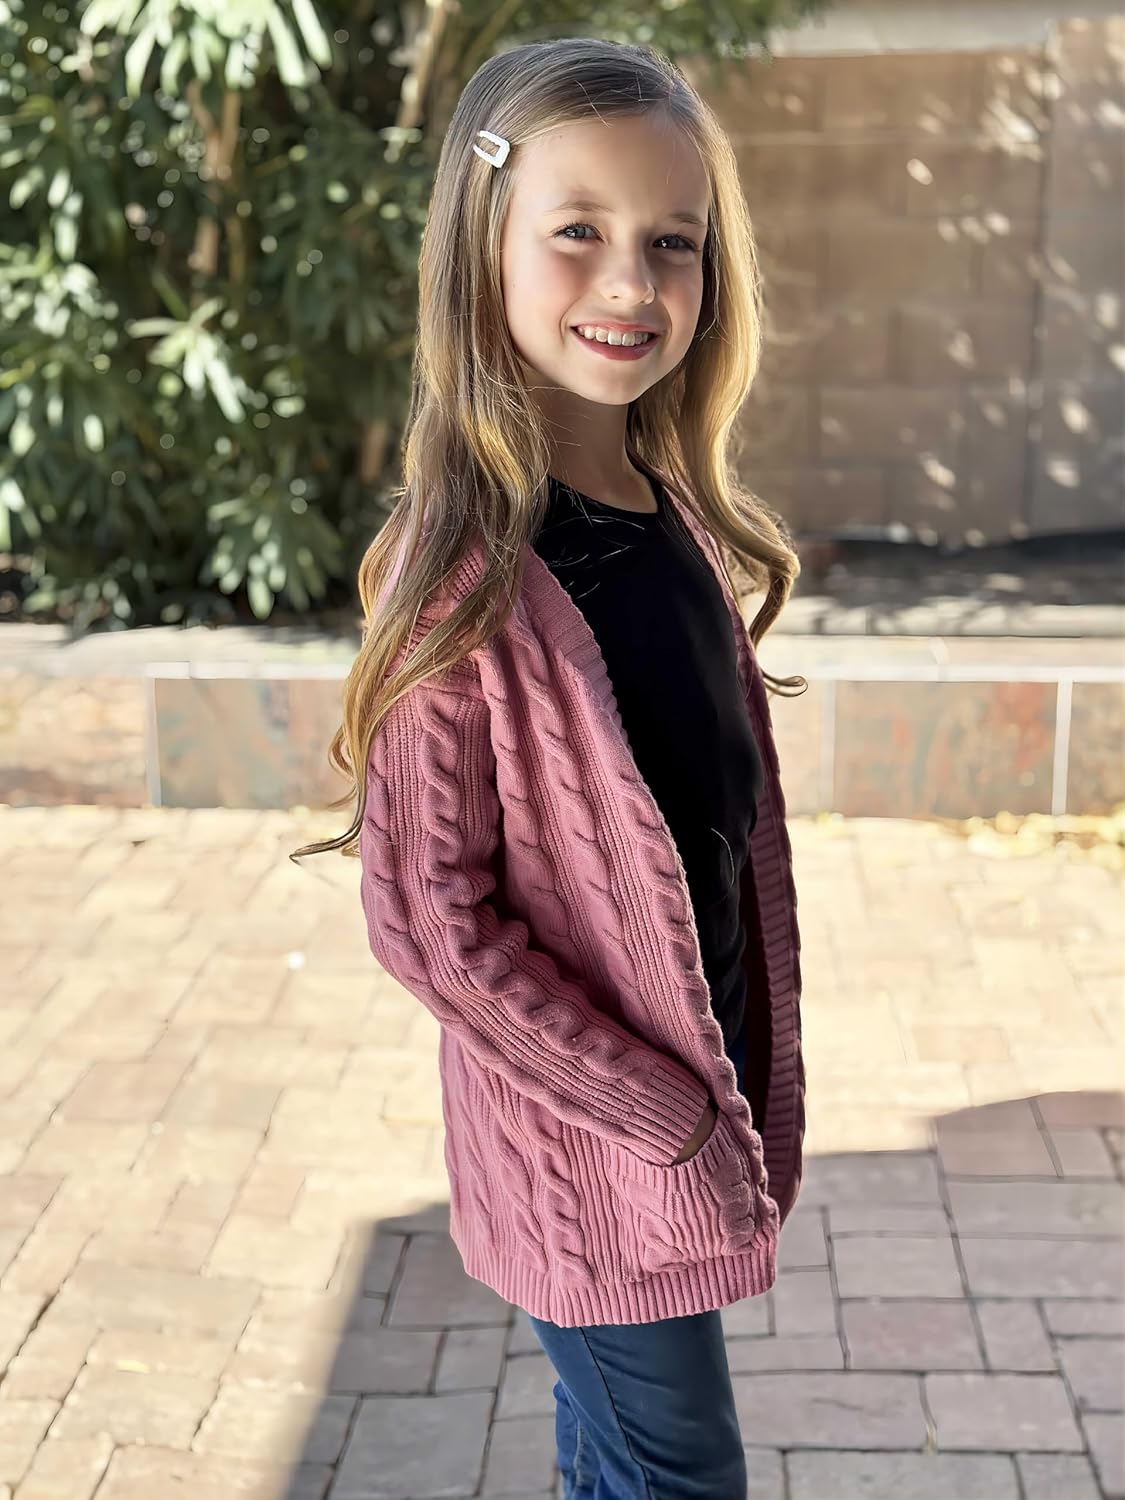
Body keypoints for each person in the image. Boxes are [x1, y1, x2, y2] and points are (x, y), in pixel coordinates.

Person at [293, 36, 809, 1499]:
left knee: (619, 1463)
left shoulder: (668, 510)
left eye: (673, 242)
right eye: (577, 231)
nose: (630, 284)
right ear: (484, 248)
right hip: (595, 1153)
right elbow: (430, 923)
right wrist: (665, 1117)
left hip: (685, 1107)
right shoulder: (463, 572)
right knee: (677, 1475)